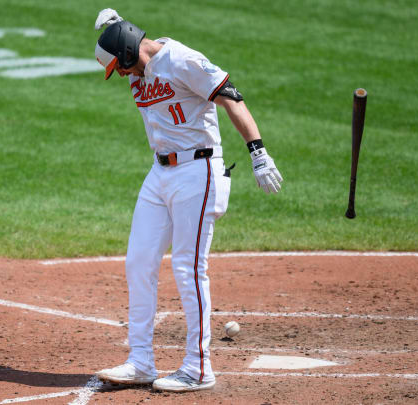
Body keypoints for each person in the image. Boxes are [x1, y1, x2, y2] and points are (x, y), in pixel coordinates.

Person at [92, 9, 282, 392]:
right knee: (139, 261)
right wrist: (112, 23)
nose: (124, 75)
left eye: (121, 67)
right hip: (159, 173)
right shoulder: (138, 65)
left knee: (188, 268)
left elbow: (231, 97)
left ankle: (198, 368)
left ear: (130, 52)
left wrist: (258, 152)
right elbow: (126, 35)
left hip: (198, 170)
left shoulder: (182, 60)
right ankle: (141, 361)